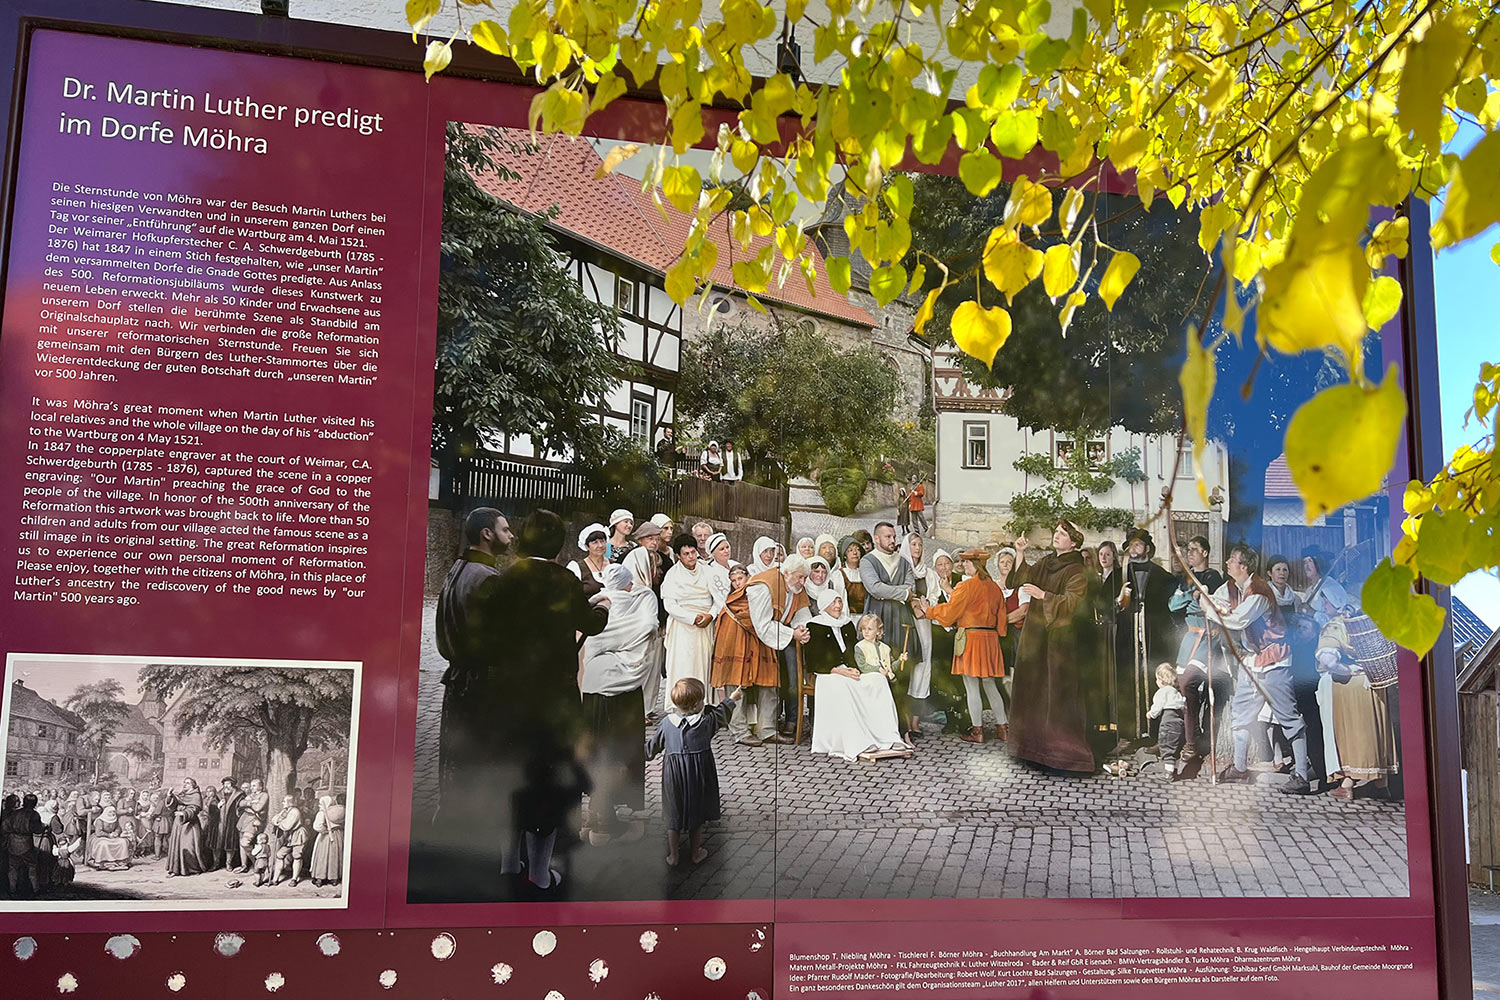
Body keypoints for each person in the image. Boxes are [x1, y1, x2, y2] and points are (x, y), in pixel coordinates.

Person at [489, 509, 612, 891]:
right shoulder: (563, 579)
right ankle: (540, 874)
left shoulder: (506, 577)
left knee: (513, 776)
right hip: (554, 696)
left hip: (511, 694)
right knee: (547, 781)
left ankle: (509, 863)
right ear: (558, 543)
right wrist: (603, 606)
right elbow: (589, 624)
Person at [1203, 544, 1312, 794]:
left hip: (1274, 661)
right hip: (1252, 661)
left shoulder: (1259, 592)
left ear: (1244, 566)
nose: (1227, 563)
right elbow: (1220, 600)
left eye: (1232, 560)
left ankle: (1301, 776)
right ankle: (1240, 768)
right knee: (1241, 713)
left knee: (1289, 718)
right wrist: (1207, 598)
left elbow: (1238, 620)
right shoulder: (1237, 587)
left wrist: (1210, 611)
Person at [433, 506, 512, 829]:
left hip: (459, 681)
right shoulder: (487, 579)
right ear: (487, 534)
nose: (511, 536)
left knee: (456, 769)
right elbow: (504, 641)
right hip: (483, 687)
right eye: (505, 530)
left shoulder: (457, 569)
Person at [1007, 521, 1097, 772]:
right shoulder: (1047, 561)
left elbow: (1073, 603)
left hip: (1059, 642)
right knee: (1032, 690)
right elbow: (1022, 578)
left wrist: (1043, 595)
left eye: (1063, 534)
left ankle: (1062, 756)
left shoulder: (1077, 570)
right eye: (1056, 532)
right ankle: (1030, 750)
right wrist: (1020, 553)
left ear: (1074, 542)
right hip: (1035, 637)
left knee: (1056, 695)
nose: (1056, 536)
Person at [579, 563, 656, 844]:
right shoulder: (640, 603)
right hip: (623, 688)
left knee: (596, 749)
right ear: (627, 583)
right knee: (620, 752)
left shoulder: (595, 606)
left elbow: (590, 641)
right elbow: (649, 626)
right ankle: (606, 824)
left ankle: (597, 814)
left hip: (594, 685)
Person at [710, 554, 813, 746]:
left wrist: (803, 629)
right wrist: (792, 634)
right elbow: (762, 624)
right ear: (787, 573)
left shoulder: (795, 586)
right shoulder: (765, 585)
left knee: (769, 677)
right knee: (738, 679)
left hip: (762, 631)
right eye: (800, 577)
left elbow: (801, 612)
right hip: (738, 627)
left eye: (805, 577)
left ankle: (767, 729)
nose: (803, 582)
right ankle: (739, 731)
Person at [646, 679, 742, 866]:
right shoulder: (705, 723)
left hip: (673, 777)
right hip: (697, 776)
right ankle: (696, 853)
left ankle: (673, 855)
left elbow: (652, 748)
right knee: (696, 813)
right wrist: (732, 699)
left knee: (673, 812)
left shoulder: (666, 724)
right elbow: (722, 714)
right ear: (697, 704)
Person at [926, 549, 1009, 744]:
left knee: (971, 686)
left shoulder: (966, 585)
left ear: (975, 564)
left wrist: (929, 611)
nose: (963, 565)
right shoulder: (995, 588)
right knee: (990, 684)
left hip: (971, 639)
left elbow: (950, 613)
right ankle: (1003, 728)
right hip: (990, 639)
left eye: (966, 562)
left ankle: (977, 731)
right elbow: (1002, 625)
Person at [1315, 615, 1401, 800]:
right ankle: (1381, 785)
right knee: (1376, 733)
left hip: (1348, 686)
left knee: (1352, 735)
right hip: (1376, 682)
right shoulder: (1376, 620)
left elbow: (1328, 661)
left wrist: (1347, 670)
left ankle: (1347, 785)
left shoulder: (1337, 625)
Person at [812, 614, 912, 761]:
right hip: (845, 675)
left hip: (878, 677)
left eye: (869, 629)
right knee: (865, 683)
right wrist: (875, 670)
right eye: (864, 629)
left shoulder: (884, 647)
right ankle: (862, 739)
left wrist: (899, 661)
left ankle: (889, 736)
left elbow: (890, 666)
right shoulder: (859, 646)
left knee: (881, 683)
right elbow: (861, 665)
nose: (866, 632)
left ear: (878, 631)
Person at [1168, 534, 1227, 768]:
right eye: (1188, 549)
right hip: (1189, 637)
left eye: (1194, 549)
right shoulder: (1186, 578)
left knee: (1191, 682)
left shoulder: (1213, 577)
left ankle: (1196, 741)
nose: (1190, 553)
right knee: (1183, 685)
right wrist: (1190, 596)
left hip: (1208, 638)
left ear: (1205, 552)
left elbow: (1208, 604)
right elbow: (1173, 605)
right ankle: (1190, 738)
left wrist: (1194, 599)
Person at [1116, 528, 1179, 739]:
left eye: (1138, 545)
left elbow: (1173, 606)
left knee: (1155, 678)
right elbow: (1103, 605)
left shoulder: (1163, 577)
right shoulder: (1119, 575)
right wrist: (1118, 601)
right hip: (1127, 638)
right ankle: (1128, 734)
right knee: (1127, 680)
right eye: (1130, 545)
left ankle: (1155, 734)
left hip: (1154, 638)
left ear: (1148, 548)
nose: (1133, 549)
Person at [860, 522, 920, 741]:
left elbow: (911, 587)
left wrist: (888, 592)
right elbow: (874, 587)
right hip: (878, 619)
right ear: (876, 539)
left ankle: (901, 729)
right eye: (887, 537)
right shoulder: (868, 561)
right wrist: (902, 594)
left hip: (902, 622)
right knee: (876, 671)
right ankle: (877, 730)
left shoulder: (903, 562)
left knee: (901, 671)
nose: (893, 540)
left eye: (894, 536)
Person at [661, 534, 718, 714]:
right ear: (678, 556)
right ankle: (680, 704)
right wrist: (691, 618)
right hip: (682, 627)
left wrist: (710, 615)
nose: (691, 557)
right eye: (686, 554)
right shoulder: (672, 575)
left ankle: (701, 704)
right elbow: (669, 604)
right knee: (682, 666)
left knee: (702, 666)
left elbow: (719, 599)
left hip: (704, 626)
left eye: (693, 552)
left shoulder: (707, 571)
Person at [901, 532, 944, 738]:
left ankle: (916, 722)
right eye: (913, 544)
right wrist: (912, 603)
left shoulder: (929, 573)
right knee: (907, 666)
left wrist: (925, 605)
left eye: (919, 545)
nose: (917, 548)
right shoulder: (901, 570)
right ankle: (904, 721)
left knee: (922, 668)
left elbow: (935, 595)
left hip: (924, 623)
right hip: (906, 624)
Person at [1147, 663, 1188, 773]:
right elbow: (1183, 707)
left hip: (1167, 724)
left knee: (1166, 748)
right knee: (1175, 747)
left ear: (1161, 681)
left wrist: (1151, 714)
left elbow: (1158, 706)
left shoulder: (1162, 692)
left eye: (1157, 679)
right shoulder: (1177, 693)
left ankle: (1168, 774)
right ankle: (1174, 770)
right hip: (1179, 724)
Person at [164, 778, 205, 878]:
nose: (185, 785)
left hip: (190, 825)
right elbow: (172, 806)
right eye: (184, 783)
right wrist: (169, 795)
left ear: (193, 785)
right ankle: (175, 869)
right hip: (179, 824)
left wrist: (184, 813)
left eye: (187, 783)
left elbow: (195, 809)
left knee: (189, 847)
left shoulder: (196, 795)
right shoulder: (182, 795)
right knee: (176, 846)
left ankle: (193, 868)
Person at [3, 793, 41, 895]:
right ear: (34, 803)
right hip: (26, 843)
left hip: (13, 843)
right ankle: (36, 889)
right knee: (32, 866)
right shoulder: (34, 814)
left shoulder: (15, 813)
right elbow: (37, 830)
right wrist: (44, 827)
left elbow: (5, 827)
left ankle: (12, 889)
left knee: (13, 867)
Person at [270, 794, 306, 885]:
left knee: (297, 856)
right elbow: (274, 819)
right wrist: (278, 820)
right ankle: (275, 879)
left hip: (298, 835)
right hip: (290, 836)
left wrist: (279, 822)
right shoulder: (286, 810)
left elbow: (287, 826)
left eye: (284, 801)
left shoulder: (295, 812)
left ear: (290, 803)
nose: (283, 803)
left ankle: (294, 879)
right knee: (279, 854)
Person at [310, 795, 345, 886]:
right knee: (335, 856)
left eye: (321, 804)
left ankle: (320, 878)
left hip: (326, 836)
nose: (319, 805)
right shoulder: (339, 811)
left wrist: (324, 830)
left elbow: (317, 826)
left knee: (323, 856)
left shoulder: (322, 813)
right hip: (338, 835)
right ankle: (334, 878)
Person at [237, 779, 270, 874]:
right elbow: (240, 804)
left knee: (245, 843)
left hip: (254, 822)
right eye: (251, 786)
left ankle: (256, 862)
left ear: (260, 787)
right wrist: (252, 803)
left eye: (254, 786)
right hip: (243, 821)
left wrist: (248, 804)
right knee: (241, 844)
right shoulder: (251, 795)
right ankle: (244, 865)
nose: (251, 788)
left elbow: (258, 808)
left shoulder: (264, 795)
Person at [86, 804, 133, 871]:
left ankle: (120, 861)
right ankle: (104, 862)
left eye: (113, 812)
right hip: (100, 837)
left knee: (123, 842)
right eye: (110, 812)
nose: (112, 813)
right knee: (103, 844)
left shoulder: (115, 819)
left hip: (112, 837)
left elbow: (118, 828)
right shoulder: (100, 820)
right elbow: (98, 833)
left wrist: (116, 833)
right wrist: (108, 835)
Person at [568, 523, 610, 592]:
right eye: (595, 542)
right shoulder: (578, 568)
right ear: (587, 546)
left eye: (602, 541)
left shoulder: (614, 565)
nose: (600, 545)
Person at [703, 531, 735, 614]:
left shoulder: (735, 564)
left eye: (727, 547)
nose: (726, 551)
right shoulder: (711, 572)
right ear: (713, 553)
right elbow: (720, 600)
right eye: (722, 549)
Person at [216, 777, 244, 871]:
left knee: (230, 844)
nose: (226, 786)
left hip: (232, 822)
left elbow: (242, 807)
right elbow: (212, 805)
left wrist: (238, 810)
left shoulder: (239, 795)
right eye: (225, 784)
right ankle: (216, 863)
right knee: (217, 843)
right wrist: (218, 805)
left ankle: (228, 863)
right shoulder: (218, 794)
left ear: (233, 785)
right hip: (219, 822)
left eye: (228, 784)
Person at [837, 536, 867, 614]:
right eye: (850, 550)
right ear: (844, 555)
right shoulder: (839, 575)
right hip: (848, 617)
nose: (855, 553)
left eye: (857, 549)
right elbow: (841, 601)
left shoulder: (866, 572)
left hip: (867, 616)